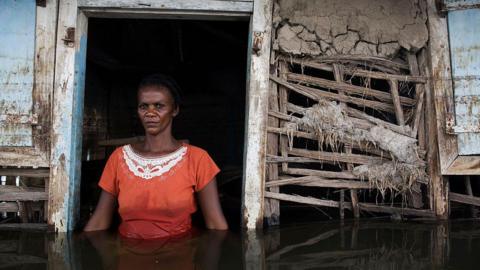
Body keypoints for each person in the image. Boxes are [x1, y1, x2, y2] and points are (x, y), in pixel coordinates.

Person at [84, 74, 228, 239]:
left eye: (159, 106)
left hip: (179, 255)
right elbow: (100, 221)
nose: (150, 113)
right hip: (127, 256)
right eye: (144, 106)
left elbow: (216, 225)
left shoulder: (197, 159)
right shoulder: (119, 158)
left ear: (175, 110)